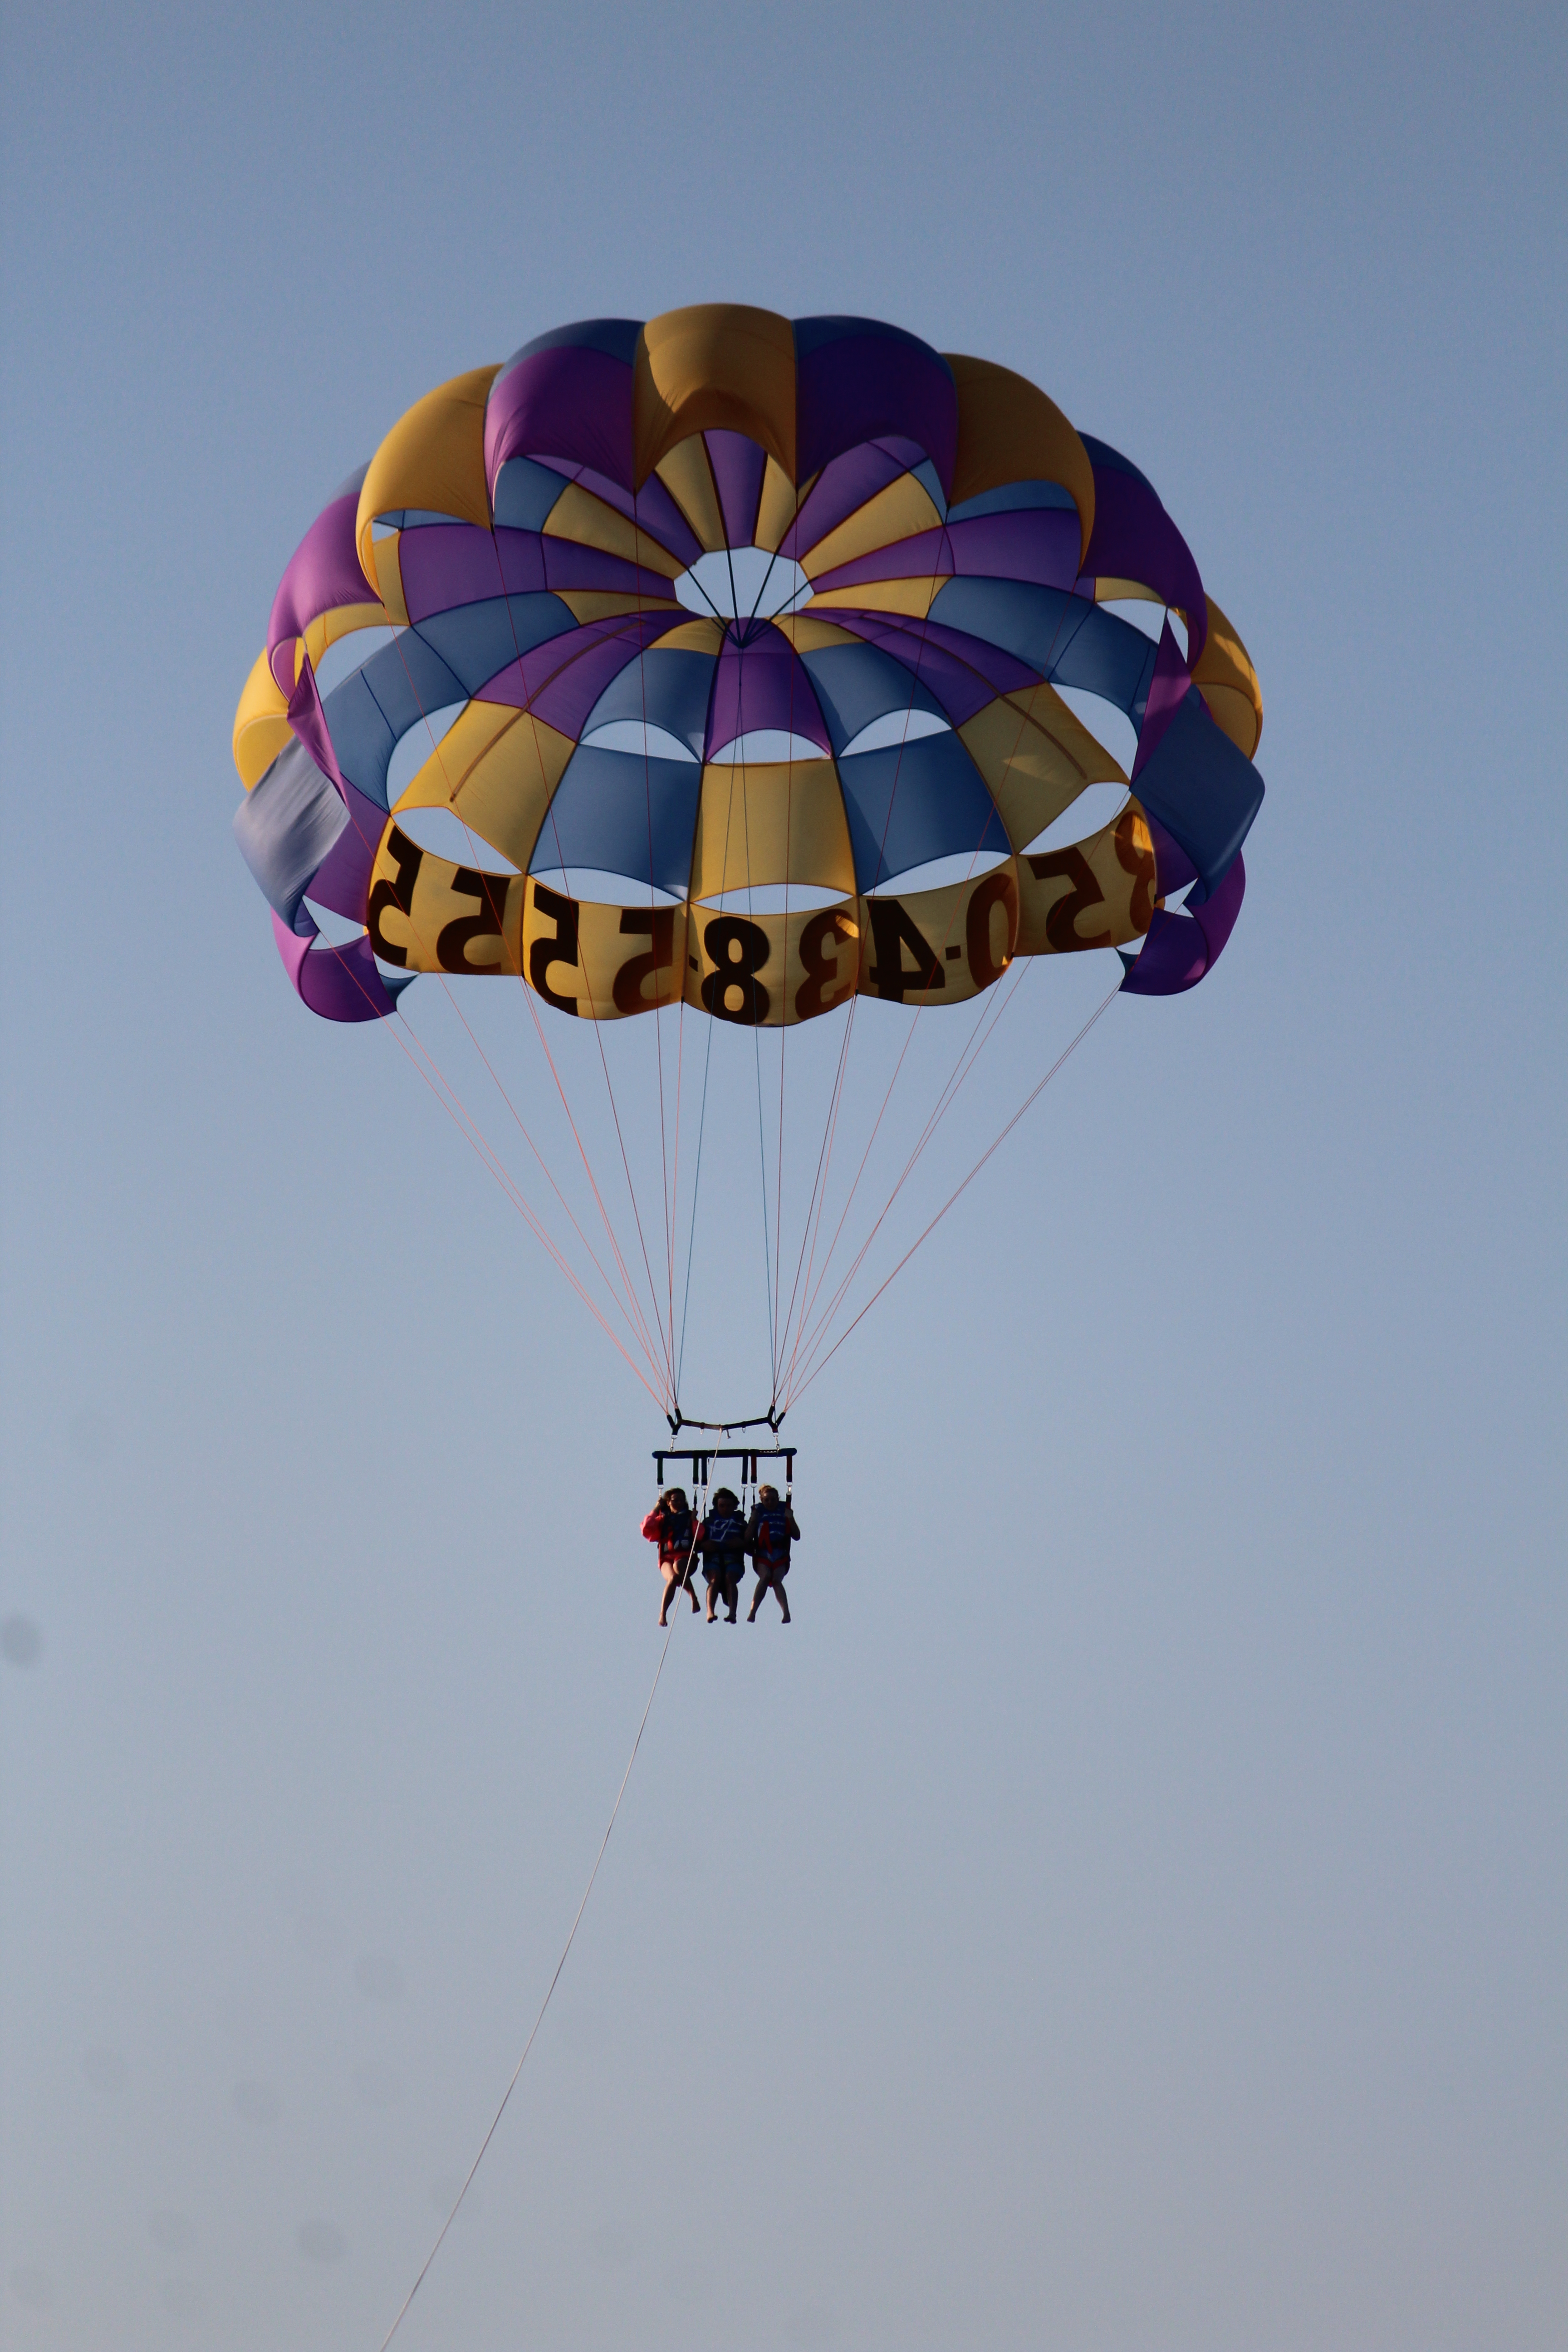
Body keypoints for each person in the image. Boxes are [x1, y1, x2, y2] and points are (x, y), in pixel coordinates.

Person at [642, 1487, 699, 1626]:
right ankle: (663, 1614)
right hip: (667, 1558)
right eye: (675, 1500)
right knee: (672, 1578)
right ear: (668, 1502)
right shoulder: (663, 1518)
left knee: (679, 1566)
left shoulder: (689, 1517)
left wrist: (694, 1520)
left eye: (681, 1500)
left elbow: (700, 1535)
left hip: (686, 1557)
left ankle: (693, 1598)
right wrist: (656, 1509)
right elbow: (647, 1528)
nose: (679, 1503)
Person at [745, 1484, 799, 1623]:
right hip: (763, 1553)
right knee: (765, 1577)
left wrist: (791, 1518)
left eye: (773, 1500)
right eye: (766, 1500)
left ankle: (786, 1613)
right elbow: (747, 1538)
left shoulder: (784, 1512)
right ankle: (753, 1612)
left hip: (780, 1553)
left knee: (776, 1580)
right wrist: (752, 1521)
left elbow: (796, 1535)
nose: (770, 1503)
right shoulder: (758, 1513)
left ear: (777, 1499)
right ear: (762, 1500)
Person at [696, 1487, 748, 1623]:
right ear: (716, 1506)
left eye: (729, 1506)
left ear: (735, 1506)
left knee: (729, 1577)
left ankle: (732, 1613)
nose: (725, 1509)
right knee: (715, 1577)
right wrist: (703, 1545)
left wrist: (741, 1543)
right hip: (713, 1559)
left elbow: (752, 1547)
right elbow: (695, 1545)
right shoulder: (707, 1523)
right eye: (722, 1506)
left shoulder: (741, 1524)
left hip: (734, 1560)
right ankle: (710, 1612)